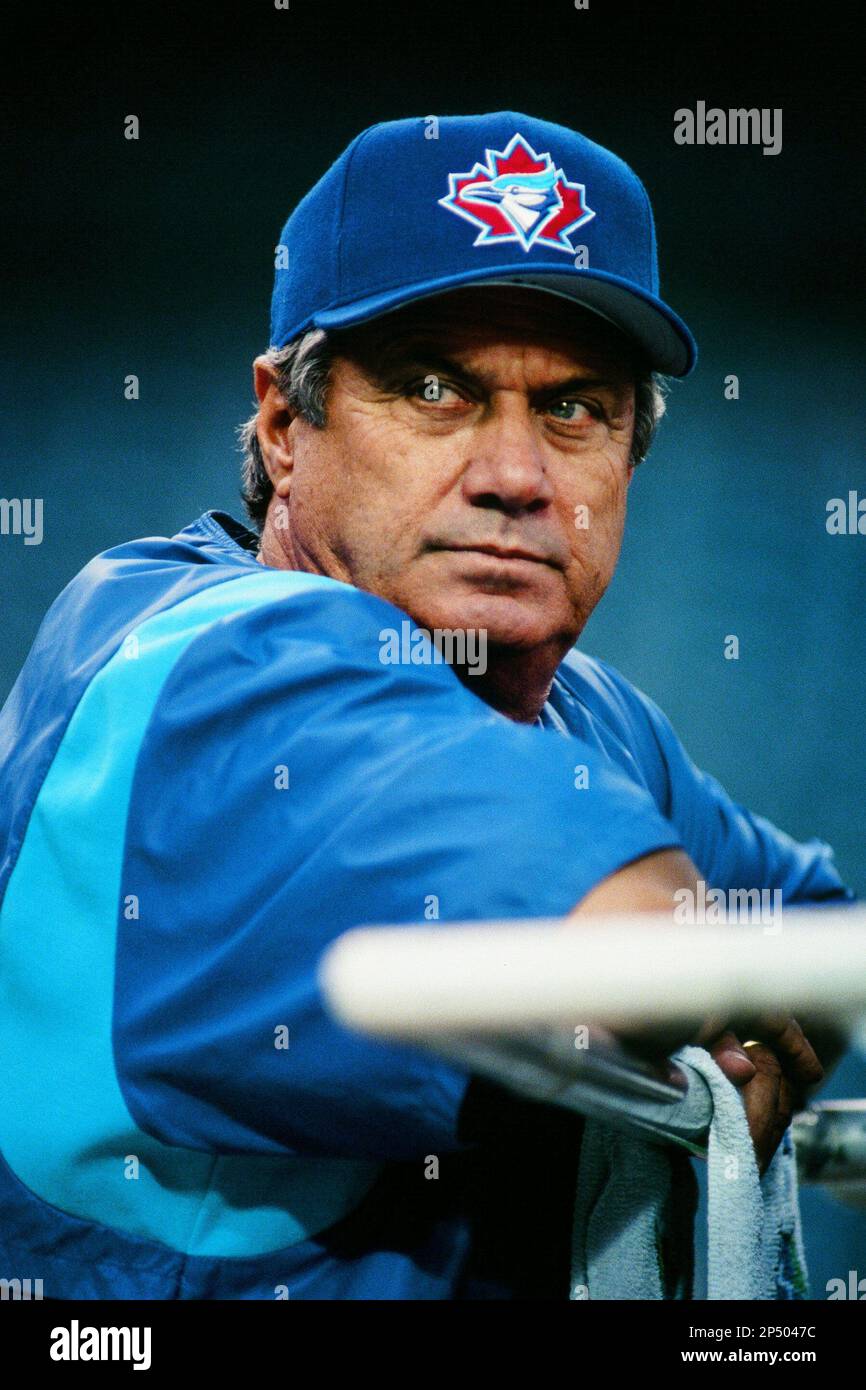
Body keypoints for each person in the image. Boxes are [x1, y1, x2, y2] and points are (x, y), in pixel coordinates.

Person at [0, 113, 850, 1300]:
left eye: (573, 408)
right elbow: (627, 932)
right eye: (435, 388)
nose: (514, 475)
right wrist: (703, 986)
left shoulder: (587, 719)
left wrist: (750, 1009)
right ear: (285, 427)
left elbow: (814, 926)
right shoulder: (211, 662)